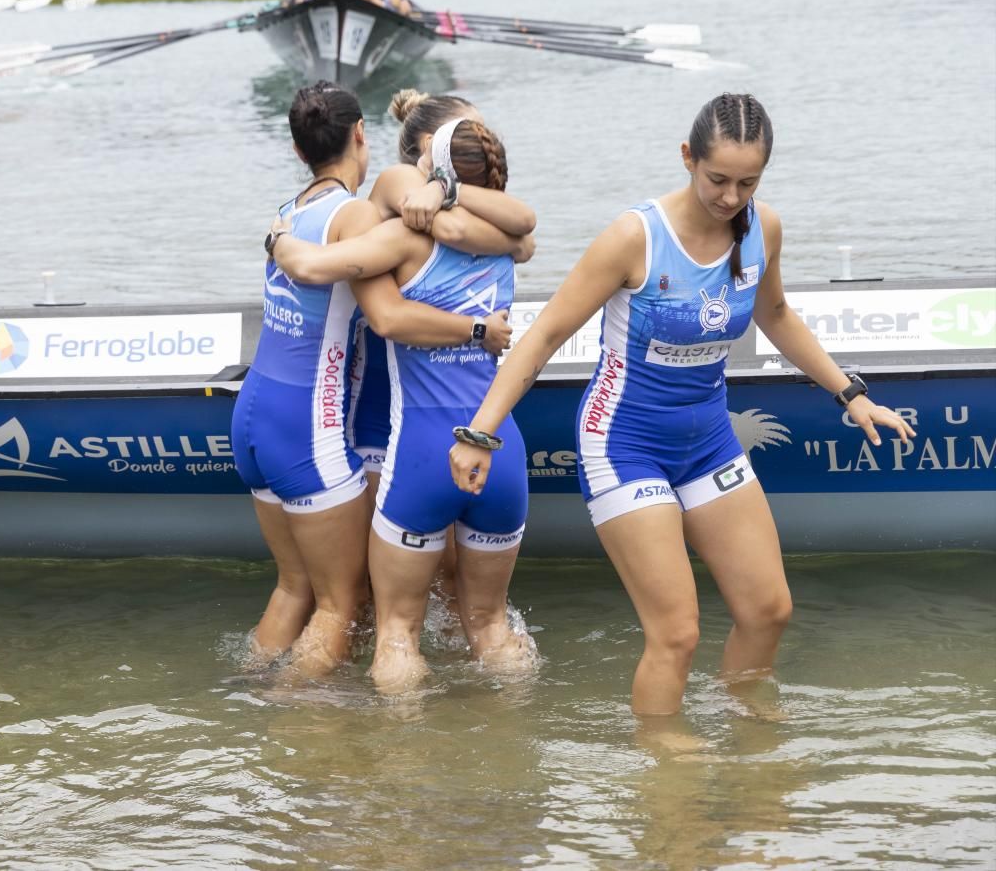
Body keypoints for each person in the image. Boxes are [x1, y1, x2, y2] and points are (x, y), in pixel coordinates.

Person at [448, 93, 915, 717]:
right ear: (688, 158)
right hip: (624, 444)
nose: (731, 197)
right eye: (717, 179)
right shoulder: (634, 236)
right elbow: (544, 337)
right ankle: (666, 766)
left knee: (768, 609)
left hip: (708, 442)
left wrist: (850, 394)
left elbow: (775, 315)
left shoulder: (763, 229)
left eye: (748, 182)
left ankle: (747, 724)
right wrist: (480, 432)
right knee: (676, 633)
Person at [232, 83, 521, 678]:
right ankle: (302, 726)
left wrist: (275, 241)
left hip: (262, 411)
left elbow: (516, 233)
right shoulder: (374, 208)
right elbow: (390, 310)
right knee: (347, 606)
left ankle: (251, 695)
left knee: (304, 591)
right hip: (334, 425)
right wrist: (477, 327)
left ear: (296, 148)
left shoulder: (294, 210)